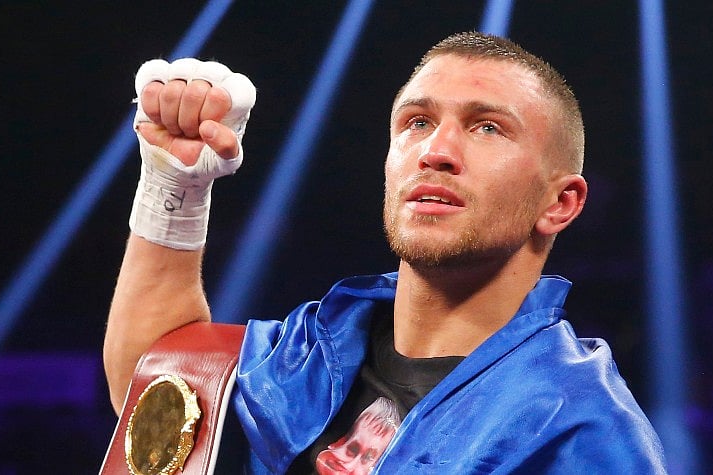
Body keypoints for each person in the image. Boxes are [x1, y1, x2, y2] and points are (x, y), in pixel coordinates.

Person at [104, 31, 667, 473]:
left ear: (560, 203)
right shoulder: (310, 351)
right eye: (417, 122)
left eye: (488, 128)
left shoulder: (579, 427)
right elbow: (159, 387)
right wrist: (172, 187)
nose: (437, 151)